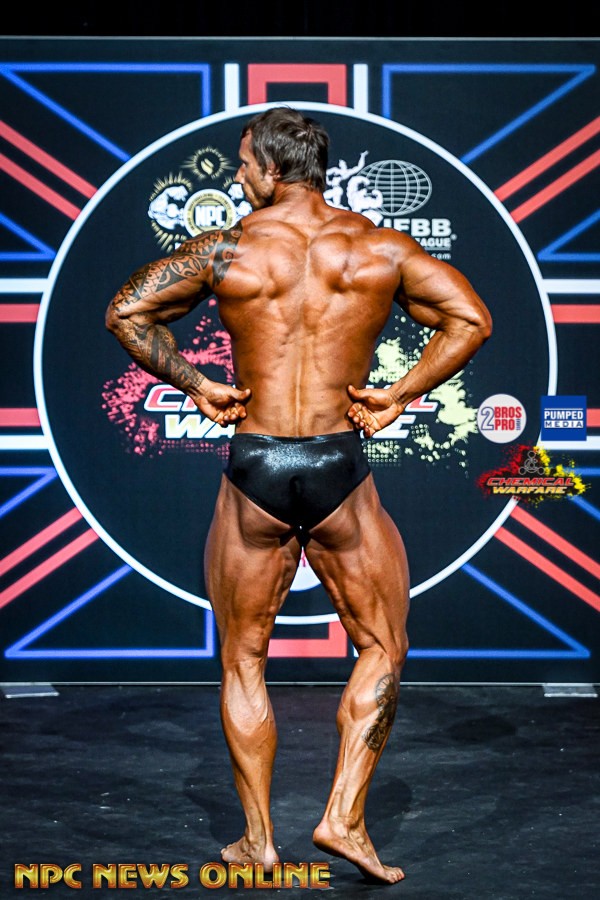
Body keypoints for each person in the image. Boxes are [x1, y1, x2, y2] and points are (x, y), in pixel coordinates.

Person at [105, 106, 492, 884]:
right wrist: (398, 393)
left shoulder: (228, 249)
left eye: (244, 163)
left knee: (243, 657)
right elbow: (470, 319)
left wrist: (198, 384)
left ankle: (258, 841)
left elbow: (125, 311)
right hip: (337, 462)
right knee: (383, 645)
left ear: (274, 169)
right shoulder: (378, 247)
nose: (238, 175)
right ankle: (342, 818)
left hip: (256, 463)